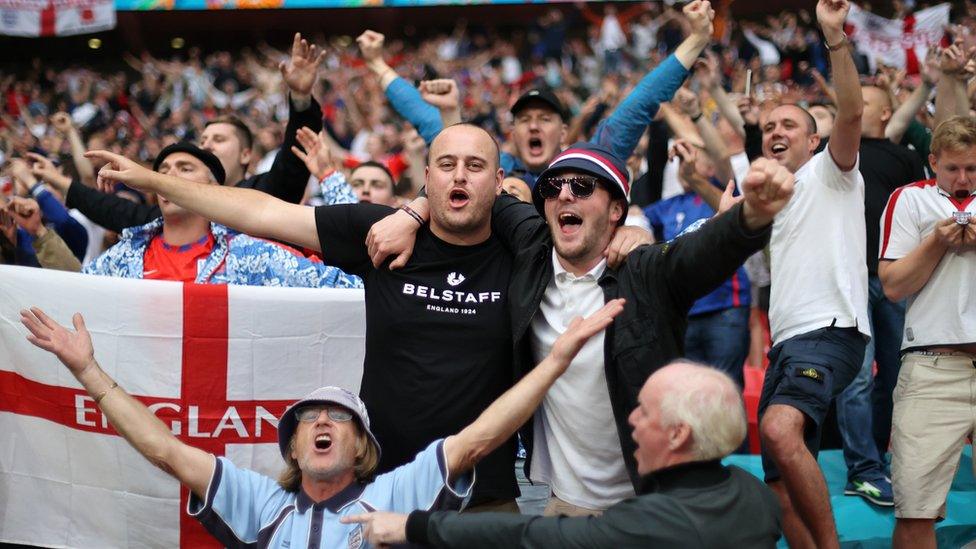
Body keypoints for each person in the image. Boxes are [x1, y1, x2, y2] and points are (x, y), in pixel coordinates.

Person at [370, 140, 794, 515]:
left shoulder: (645, 272)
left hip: (650, 506)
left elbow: (699, 255)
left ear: (615, 210)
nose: (565, 194)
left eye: (583, 187)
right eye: (553, 188)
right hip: (563, 507)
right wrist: (414, 209)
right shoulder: (532, 247)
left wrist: (752, 216)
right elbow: (469, 185)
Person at [18, 296, 625, 548]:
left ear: (361, 445)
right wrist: (89, 370)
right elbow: (165, 450)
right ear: (293, 448)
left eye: (337, 417)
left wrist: (558, 359)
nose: (320, 423)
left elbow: (482, 438)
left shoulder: (395, 491)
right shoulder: (258, 501)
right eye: (306, 420)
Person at [341, 361, 783, 548]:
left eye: (644, 413)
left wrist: (413, 525)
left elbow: (526, 537)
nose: (631, 421)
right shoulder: (754, 495)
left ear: (677, 435)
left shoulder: (654, 525)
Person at [362, 0, 717, 187]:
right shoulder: (492, 169)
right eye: (524, 120)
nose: (533, 126)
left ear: (563, 132)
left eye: (545, 119)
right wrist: (377, 64)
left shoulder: (587, 164)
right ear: (510, 134)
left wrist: (697, 39)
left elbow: (639, 102)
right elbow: (427, 119)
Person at [758, 2, 869, 547]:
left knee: (781, 430)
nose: (775, 132)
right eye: (767, 127)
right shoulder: (772, 198)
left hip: (829, 330)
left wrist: (834, 37)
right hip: (787, 343)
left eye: (787, 125)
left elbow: (850, 114)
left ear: (812, 142)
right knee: (776, 478)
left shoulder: (832, 172)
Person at [56, 33, 327, 234]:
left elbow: (292, 166)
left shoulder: (265, 193)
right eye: (203, 140)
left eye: (219, 139)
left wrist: (301, 98)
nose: (206, 146)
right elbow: (117, 211)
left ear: (246, 154)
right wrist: (52, 181)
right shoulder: (182, 210)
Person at [878, 115, 976, 549]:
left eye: (973, 168)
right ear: (932, 161)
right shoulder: (909, 199)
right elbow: (894, 286)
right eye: (953, 167)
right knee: (915, 508)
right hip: (932, 363)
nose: (963, 178)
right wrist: (936, 243)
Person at [84, 141, 361, 288]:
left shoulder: (253, 257)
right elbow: (68, 298)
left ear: (214, 189)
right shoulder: (121, 258)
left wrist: (330, 178)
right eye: (163, 172)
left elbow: (350, 287)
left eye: (186, 169)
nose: (171, 177)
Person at [834, 84, 925, 507]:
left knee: (894, 377)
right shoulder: (832, 155)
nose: (852, 106)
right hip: (847, 280)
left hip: (893, 279)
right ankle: (863, 470)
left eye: (863, 101)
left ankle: (881, 457)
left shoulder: (904, 157)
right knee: (854, 379)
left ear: (886, 112)